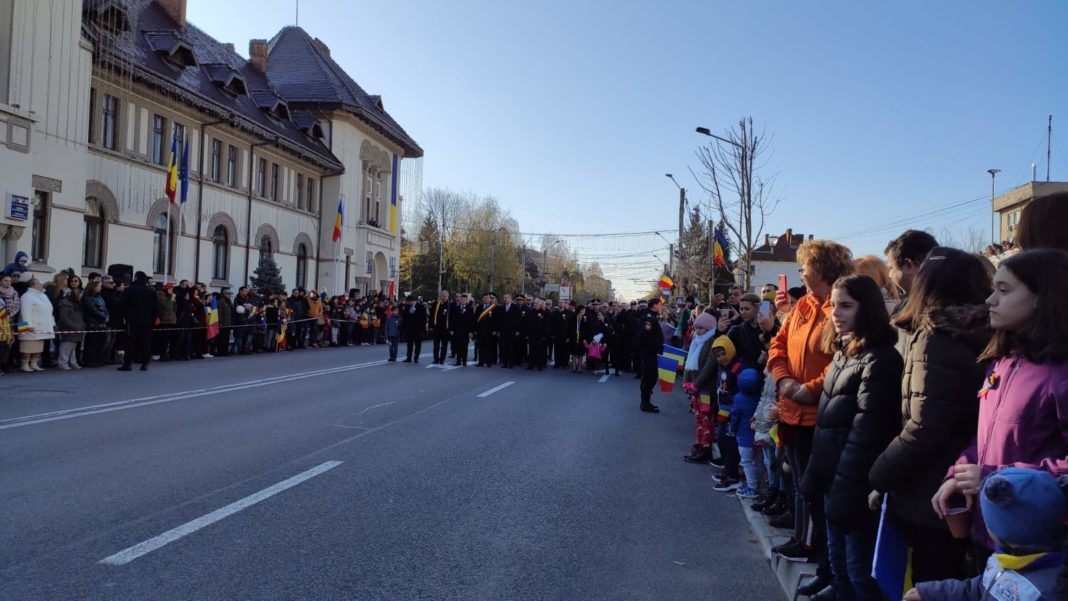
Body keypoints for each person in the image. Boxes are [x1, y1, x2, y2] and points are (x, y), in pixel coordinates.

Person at [931, 249, 1068, 561]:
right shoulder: (1003, 360)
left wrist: (996, 479)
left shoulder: (1060, 372)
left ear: (1043, 298)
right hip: (989, 533)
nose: (990, 301)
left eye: (1004, 291)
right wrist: (959, 474)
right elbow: (985, 437)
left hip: (1036, 549)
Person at [868, 248, 994, 584]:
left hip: (930, 488)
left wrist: (879, 474)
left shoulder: (937, 337)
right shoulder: (983, 332)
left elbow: (924, 426)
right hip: (957, 481)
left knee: (928, 580)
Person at [799, 275, 902, 601]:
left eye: (846, 306)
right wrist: (816, 471)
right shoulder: (845, 352)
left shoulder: (880, 359)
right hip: (834, 481)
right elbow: (829, 423)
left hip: (855, 487)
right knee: (840, 570)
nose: (836, 313)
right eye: (835, 305)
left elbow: (865, 433)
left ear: (867, 308)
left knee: (859, 575)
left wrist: (846, 488)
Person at [767, 239, 855, 568]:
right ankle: (804, 540)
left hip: (819, 414)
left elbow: (843, 358)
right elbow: (778, 344)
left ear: (821, 268)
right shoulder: (802, 305)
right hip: (791, 410)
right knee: (800, 482)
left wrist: (809, 390)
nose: (800, 272)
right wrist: (784, 380)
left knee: (816, 488)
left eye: (805, 266)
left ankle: (820, 554)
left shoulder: (839, 308)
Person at [907, 468, 1064, 601]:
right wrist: (931, 592)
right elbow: (982, 587)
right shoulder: (1003, 558)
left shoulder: (1048, 591)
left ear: (1002, 531)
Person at [710, 336, 744, 492]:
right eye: (717, 356)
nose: (721, 358)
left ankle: (733, 477)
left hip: (735, 411)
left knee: (731, 443)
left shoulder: (738, 367)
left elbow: (742, 390)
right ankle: (727, 469)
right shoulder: (722, 367)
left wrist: (734, 407)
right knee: (722, 439)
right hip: (723, 409)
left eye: (723, 354)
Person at [884, 230, 939, 312]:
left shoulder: (911, 313)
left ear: (909, 265)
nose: (890, 275)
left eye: (892, 267)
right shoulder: (958, 297)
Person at [731, 368, 764, 499]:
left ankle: (752, 487)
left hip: (744, 437)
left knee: (746, 462)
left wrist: (732, 429)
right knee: (758, 461)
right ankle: (759, 484)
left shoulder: (739, 399)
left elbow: (735, 416)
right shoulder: (761, 398)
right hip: (759, 435)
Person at [118, 271, 159, 372]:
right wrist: (152, 321)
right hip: (147, 320)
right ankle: (145, 364)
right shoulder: (151, 291)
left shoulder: (129, 290)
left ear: (135, 278)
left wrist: (123, 317)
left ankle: (127, 364)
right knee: (146, 342)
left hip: (132, 320)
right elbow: (155, 308)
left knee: (130, 342)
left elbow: (123, 305)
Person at [17, 277, 55, 372]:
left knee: (38, 346)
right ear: (32, 285)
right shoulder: (26, 296)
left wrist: (52, 323)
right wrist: (28, 325)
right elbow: (25, 311)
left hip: (41, 325)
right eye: (38, 283)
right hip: (29, 325)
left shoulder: (43, 295)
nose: (41, 284)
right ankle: (24, 364)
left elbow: (49, 310)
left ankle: (34, 364)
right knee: (27, 346)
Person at [637, 297, 665, 413]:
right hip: (650, 354)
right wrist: (648, 351)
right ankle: (645, 403)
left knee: (651, 378)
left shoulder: (652, 317)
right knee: (649, 378)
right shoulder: (648, 318)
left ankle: (647, 402)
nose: (661, 306)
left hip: (653, 353)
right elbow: (643, 336)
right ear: (654, 306)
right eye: (660, 304)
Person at [55, 288, 86, 370]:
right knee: (66, 346)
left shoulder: (76, 304)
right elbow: (64, 318)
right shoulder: (65, 304)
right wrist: (74, 326)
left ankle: (72, 362)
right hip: (69, 328)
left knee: (72, 347)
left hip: (76, 328)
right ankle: (63, 363)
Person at [80, 280, 109, 367]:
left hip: (102, 324)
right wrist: (103, 317)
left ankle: (98, 359)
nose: (100, 288)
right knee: (92, 343)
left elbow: (105, 308)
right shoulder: (88, 297)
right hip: (93, 324)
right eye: (99, 286)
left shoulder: (99, 297)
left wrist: (107, 316)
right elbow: (93, 310)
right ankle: (90, 360)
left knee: (101, 343)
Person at [449, 294, 475, 366]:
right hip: (457, 330)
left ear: (466, 301)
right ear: (460, 300)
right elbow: (452, 319)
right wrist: (451, 329)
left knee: (464, 347)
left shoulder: (470, 309)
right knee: (458, 346)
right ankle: (458, 361)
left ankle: (464, 361)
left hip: (466, 331)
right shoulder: (456, 308)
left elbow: (472, 321)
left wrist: (471, 331)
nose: (462, 301)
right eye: (461, 299)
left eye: (464, 299)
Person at [475, 293, 500, 367]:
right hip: (480, 331)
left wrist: (495, 330)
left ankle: (489, 362)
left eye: (487, 298)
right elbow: (475, 319)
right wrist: (475, 330)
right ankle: (481, 362)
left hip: (489, 331)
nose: (486, 299)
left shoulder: (493, 308)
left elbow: (496, 320)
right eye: (484, 298)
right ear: (483, 299)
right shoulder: (479, 307)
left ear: (490, 299)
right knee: (481, 347)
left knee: (489, 347)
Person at [400, 295, 427, 363]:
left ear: (412, 301)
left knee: (418, 344)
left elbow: (423, 319)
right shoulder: (407, 307)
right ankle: (409, 357)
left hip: (418, 329)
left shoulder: (420, 307)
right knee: (409, 344)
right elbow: (404, 317)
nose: (407, 303)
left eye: (408, 301)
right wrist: (404, 327)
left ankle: (416, 358)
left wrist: (423, 329)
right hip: (409, 329)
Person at [429, 290, 451, 364]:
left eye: (445, 296)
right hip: (436, 327)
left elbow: (452, 318)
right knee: (436, 345)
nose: (444, 297)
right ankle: (435, 359)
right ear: (440, 296)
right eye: (443, 296)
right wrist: (430, 326)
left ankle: (442, 359)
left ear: (448, 297)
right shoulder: (435, 304)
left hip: (446, 328)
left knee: (444, 345)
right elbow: (431, 315)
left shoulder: (450, 305)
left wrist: (451, 328)